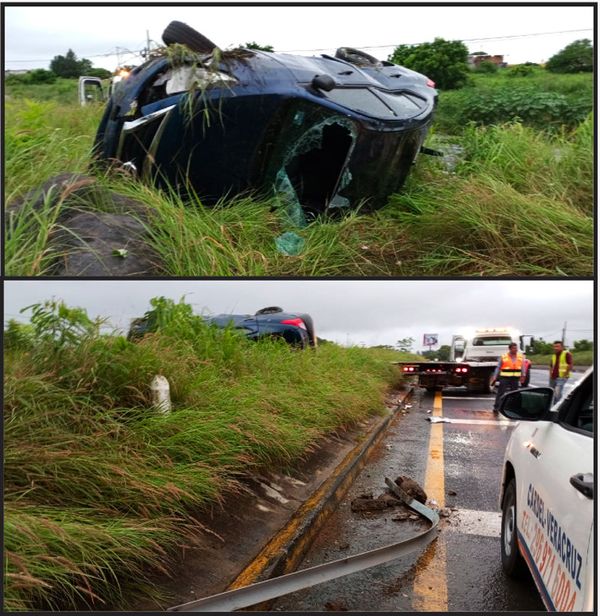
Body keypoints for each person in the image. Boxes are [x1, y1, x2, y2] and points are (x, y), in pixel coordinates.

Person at [490, 343, 526, 413]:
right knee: (501, 393)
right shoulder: (503, 356)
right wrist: (495, 377)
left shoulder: (520, 357)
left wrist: (523, 375)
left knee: (514, 393)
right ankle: (496, 407)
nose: (516, 350)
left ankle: (513, 408)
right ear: (510, 349)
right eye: (514, 348)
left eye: (516, 348)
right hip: (504, 378)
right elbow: (498, 367)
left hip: (515, 378)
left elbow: (523, 367)